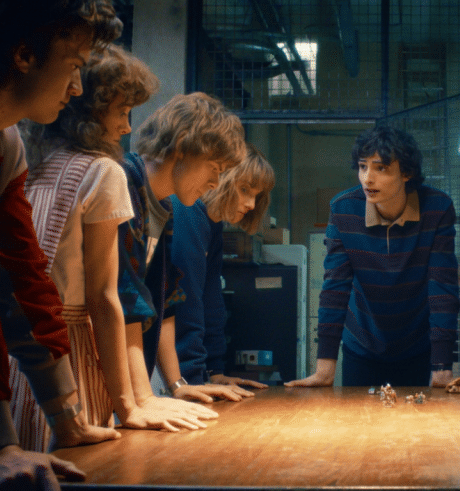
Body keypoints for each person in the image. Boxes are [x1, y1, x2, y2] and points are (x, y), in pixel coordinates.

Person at [0, 0, 123, 489]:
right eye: (73, 66)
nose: (76, 88)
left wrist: (65, 414)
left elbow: (21, 275)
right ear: (23, 54)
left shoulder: (5, 142)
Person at [22, 44, 222, 434]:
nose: (128, 127)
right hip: (71, 347)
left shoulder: (27, 154)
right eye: (120, 112)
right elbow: (108, 296)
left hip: (18, 348)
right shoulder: (105, 172)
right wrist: (132, 404)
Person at [285, 125, 459, 388]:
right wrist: (324, 367)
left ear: (407, 173)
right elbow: (335, 288)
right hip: (362, 346)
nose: (367, 178)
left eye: (381, 168)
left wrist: (442, 365)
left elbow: (442, 289)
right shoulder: (343, 209)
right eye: (362, 166)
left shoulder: (437, 208)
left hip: (416, 346)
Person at [118, 92, 253, 405]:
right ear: (181, 148)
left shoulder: (163, 205)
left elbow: (166, 300)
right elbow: (121, 303)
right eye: (214, 168)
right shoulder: (121, 183)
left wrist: (177, 383)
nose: (217, 183)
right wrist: (142, 398)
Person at [172, 142, 274, 390]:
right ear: (221, 178)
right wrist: (193, 380)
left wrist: (214, 371)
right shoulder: (188, 212)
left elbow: (210, 297)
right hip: (166, 368)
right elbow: (186, 301)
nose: (251, 204)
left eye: (256, 195)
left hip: (187, 370)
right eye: (244, 190)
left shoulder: (211, 223)